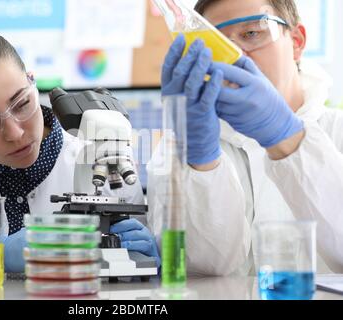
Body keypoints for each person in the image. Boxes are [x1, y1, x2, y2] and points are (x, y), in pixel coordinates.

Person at [0, 29, 159, 272]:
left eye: (22, 103)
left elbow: (136, 257)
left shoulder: (99, 148)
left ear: (33, 82)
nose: (15, 133)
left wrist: (141, 253)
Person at [147, 0, 343, 275]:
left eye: (252, 33)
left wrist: (285, 136)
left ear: (297, 42)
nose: (235, 55)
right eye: (215, 43)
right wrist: (201, 161)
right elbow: (200, 271)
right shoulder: (178, 150)